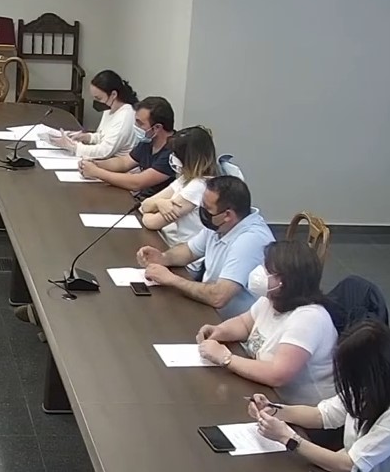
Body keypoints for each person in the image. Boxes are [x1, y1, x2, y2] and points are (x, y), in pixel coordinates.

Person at [249, 320, 390, 472]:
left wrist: (288, 438)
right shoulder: (368, 388)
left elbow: (348, 465)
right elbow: (321, 415)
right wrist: (274, 410)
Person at [196, 241, 337, 405]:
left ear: (286, 281)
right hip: (263, 391)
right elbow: (244, 324)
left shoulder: (309, 319)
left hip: (301, 409)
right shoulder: (271, 300)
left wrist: (226, 358)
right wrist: (219, 331)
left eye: (268, 271)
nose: (261, 273)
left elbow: (277, 375)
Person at [137, 175, 274, 319]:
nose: (202, 212)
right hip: (209, 311)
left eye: (207, 209)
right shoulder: (219, 224)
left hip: (236, 324)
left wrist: (172, 279)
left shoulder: (250, 240)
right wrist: (163, 258)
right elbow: (189, 251)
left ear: (227, 215)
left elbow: (219, 297)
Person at [77, 96, 176, 198]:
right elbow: (124, 162)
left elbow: (137, 183)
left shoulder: (173, 152)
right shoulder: (148, 141)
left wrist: (96, 172)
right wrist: (96, 164)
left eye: (140, 123)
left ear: (157, 128)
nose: (136, 126)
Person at [139, 126, 220, 247]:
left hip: (187, 254)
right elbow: (144, 205)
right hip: (174, 244)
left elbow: (152, 223)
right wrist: (158, 203)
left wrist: (153, 207)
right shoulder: (185, 179)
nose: (172, 157)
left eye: (175, 154)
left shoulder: (198, 187)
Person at [51, 70, 138, 159]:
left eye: (98, 98)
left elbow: (104, 151)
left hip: (116, 163)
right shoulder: (110, 109)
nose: (96, 101)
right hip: (107, 160)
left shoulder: (125, 116)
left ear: (113, 94)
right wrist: (87, 137)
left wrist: (74, 147)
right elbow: (103, 136)